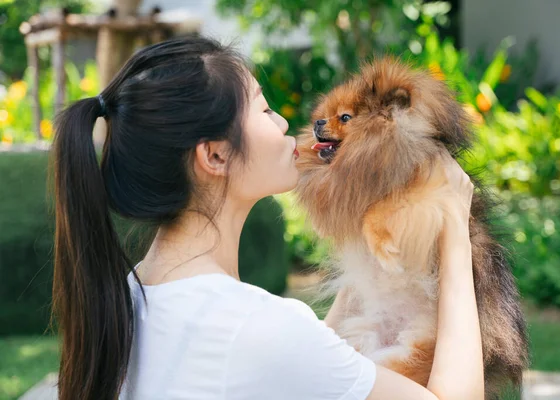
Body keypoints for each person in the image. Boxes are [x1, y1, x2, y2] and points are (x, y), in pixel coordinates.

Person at [51, 36, 482, 400]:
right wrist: (455, 224)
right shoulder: (258, 328)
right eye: (262, 110)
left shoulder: (132, 298)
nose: (282, 123)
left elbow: (317, 360)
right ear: (215, 155)